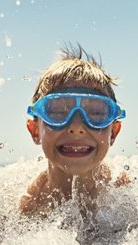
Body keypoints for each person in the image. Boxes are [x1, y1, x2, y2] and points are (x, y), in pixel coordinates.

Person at [19, 46, 127, 216]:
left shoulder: (124, 190)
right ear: (35, 131)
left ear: (113, 132)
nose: (76, 127)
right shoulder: (30, 205)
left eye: (96, 113)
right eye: (57, 112)